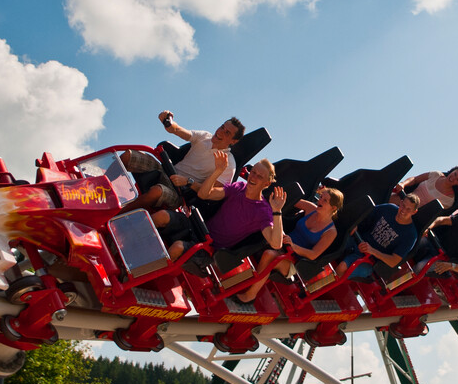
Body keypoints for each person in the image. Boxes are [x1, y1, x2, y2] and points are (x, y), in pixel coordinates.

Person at [155, 152, 286, 260]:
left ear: (266, 184)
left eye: (259, 176)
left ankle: (149, 271)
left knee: (178, 247)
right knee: (162, 216)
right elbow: (204, 194)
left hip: (210, 247)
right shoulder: (239, 187)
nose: (253, 177)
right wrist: (218, 171)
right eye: (253, 172)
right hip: (199, 227)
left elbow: (275, 244)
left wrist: (277, 211)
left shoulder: (263, 211)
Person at [122, 111, 245, 213]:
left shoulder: (228, 164)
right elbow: (178, 130)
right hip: (167, 171)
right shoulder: (205, 136)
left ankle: (117, 215)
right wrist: (168, 122)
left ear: (233, 141)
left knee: (157, 191)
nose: (220, 131)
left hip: (180, 193)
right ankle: (103, 186)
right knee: (129, 155)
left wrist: (188, 182)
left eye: (227, 132)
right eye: (222, 127)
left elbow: (208, 192)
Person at [244, 187, 344, 302]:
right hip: (281, 244)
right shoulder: (311, 208)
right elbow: (291, 198)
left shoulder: (331, 232)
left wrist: (293, 246)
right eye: (321, 197)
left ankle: (250, 295)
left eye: (325, 200)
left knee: (269, 255)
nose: (319, 201)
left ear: (333, 207)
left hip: (294, 261)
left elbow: (313, 255)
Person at [334, 195, 420, 283]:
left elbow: (393, 261)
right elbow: (366, 214)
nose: (404, 210)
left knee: (342, 267)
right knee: (334, 237)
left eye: (408, 209)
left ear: (414, 212)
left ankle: (324, 286)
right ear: (401, 202)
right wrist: (356, 224)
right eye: (403, 206)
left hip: (371, 260)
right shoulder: (388, 208)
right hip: (357, 240)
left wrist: (372, 251)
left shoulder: (410, 235)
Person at [393, 166, 458, 210]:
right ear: (454, 170)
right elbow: (415, 179)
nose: (453, 178)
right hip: (404, 199)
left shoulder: (449, 200)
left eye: (457, 180)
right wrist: (403, 184)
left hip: (412, 213)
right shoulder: (436, 175)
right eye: (455, 174)